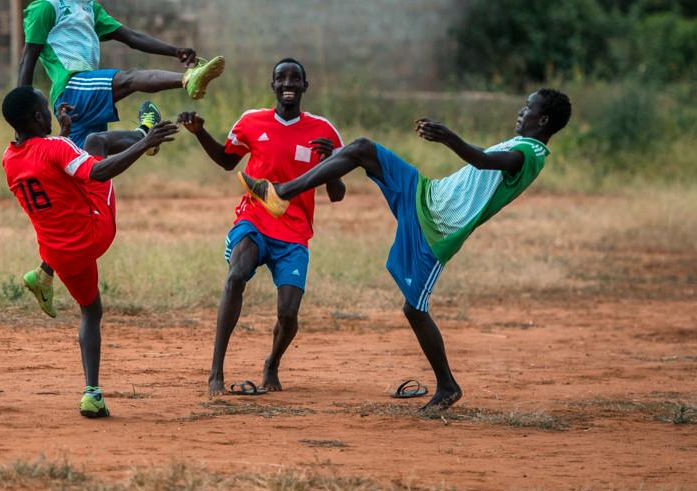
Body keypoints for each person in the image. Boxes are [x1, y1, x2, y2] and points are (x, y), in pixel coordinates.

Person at [238, 89, 573, 412]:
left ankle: (447, 386)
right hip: (425, 194)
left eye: (528, 106)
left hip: (436, 227)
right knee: (361, 148)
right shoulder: (523, 145)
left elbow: (483, 161)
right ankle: (282, 192)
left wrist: (448, 137)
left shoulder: (530, 155)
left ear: (542, 120)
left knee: (414, 310)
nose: (521, 110)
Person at [17, 0, 223, 311]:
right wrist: (20, 114)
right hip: (72, 86)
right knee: (127, 79)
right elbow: (28, 57)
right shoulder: (47, 6)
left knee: (85, 176)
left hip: (83, 97)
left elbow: (129, 36)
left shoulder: (88, 7)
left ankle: (44, 274)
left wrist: (173, 50)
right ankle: (186, 82)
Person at [1, 85, 179, 418]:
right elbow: (98, 171)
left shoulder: (9, 159)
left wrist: (65, 135)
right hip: (94, 232)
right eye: (48, 109)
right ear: (40, 117)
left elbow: (49, 167)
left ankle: (92, 394)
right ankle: (144, 129)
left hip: (59, 253)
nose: (55, 114)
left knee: (91, 310)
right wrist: (144, 143)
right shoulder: (55, 147)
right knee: (96, 142)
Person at [177, 58, 344, 397]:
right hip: (253, 218)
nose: (288, 83)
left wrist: (331, 165)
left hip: (295, 233)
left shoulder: (324, 131)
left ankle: (272, 363)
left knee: (288, 314)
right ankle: (216, 372)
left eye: (295, 78)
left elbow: (337, 195)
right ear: (272, 85)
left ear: (304, 86)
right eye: (281, 77)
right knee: (236, 274)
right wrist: (199, 133)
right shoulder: (251, 122)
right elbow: (227, 161)